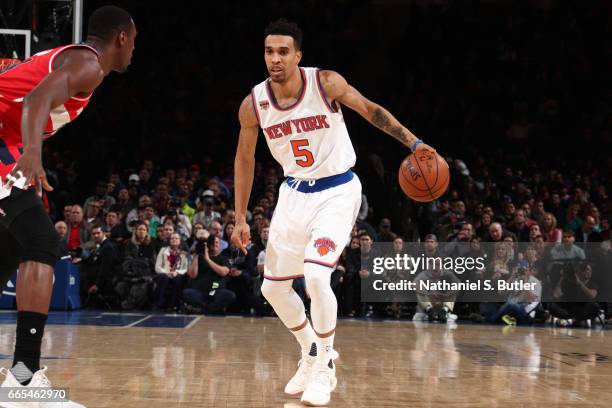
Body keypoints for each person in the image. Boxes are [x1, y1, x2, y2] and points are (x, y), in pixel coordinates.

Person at [231, 19, 435, 406]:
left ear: (298, 56)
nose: (274, 58)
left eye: (283, 51)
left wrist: (415, 143)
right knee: (272, 288)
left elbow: (371, 111)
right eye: (269, 51)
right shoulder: (253, 103)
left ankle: (326, 366)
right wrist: (240, 217)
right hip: (293, 195)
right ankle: (310, 350)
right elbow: (245, 159)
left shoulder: (325, 84)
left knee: (316, 277)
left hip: (337, 190)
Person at [0, 5, 136, 401]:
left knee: (9, 254)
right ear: (122, 38)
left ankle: (22, 377)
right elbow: (35, 101)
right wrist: (31, 154)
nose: (133, 52)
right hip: (6, 143)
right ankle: (23, 380)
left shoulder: (76, 61)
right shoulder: (88, 65)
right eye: (134, 42)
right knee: (42, 245)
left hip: (9, 141)